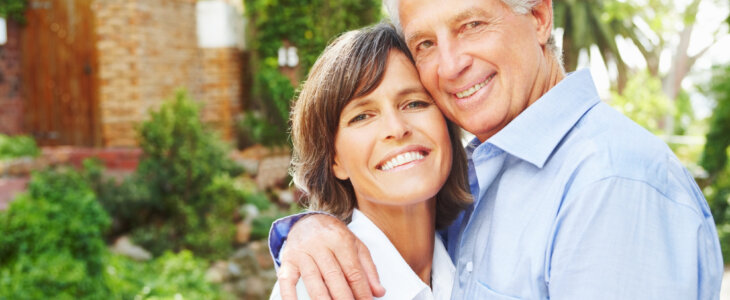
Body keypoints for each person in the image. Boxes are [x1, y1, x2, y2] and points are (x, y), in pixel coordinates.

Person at [270, 0, 725, 299]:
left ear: (540, 17)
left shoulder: (612, 183)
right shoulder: (475, 185)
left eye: (471, 25)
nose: (450, 65)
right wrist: (311, 228)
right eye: (425, 44)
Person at [269, 23, 472, 300]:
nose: (396, 128)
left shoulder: (473, 255)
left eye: (415, 103)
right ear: (334, 159)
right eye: (362, 116)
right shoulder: (315, 288)